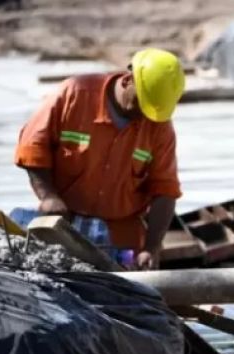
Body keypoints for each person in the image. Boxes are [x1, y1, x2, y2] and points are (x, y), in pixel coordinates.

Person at [13, 48, 186, 270]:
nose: (144, 115)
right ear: (129, 79)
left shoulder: (159, 127)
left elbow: (165, 190)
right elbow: (33, 145)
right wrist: (48, 196)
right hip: (64, 228)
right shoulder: (75, 94)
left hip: (121, 238)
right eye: (141, 104)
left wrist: (151, 248)